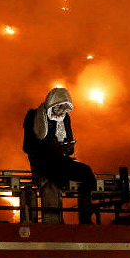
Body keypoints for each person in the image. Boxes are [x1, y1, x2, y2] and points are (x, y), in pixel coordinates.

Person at [22, 87, 96, 224]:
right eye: (59, 106)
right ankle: (53, 220)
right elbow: (28, 146)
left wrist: (68, 148)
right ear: (52, 103)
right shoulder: (34, 115)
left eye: (64, 107)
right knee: (54, 179)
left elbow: (69, 142)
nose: (61, 111)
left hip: (60, 161)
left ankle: (85, 215)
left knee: (87, 173)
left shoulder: (65, 118)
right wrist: (48, 146)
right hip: (42, 162)